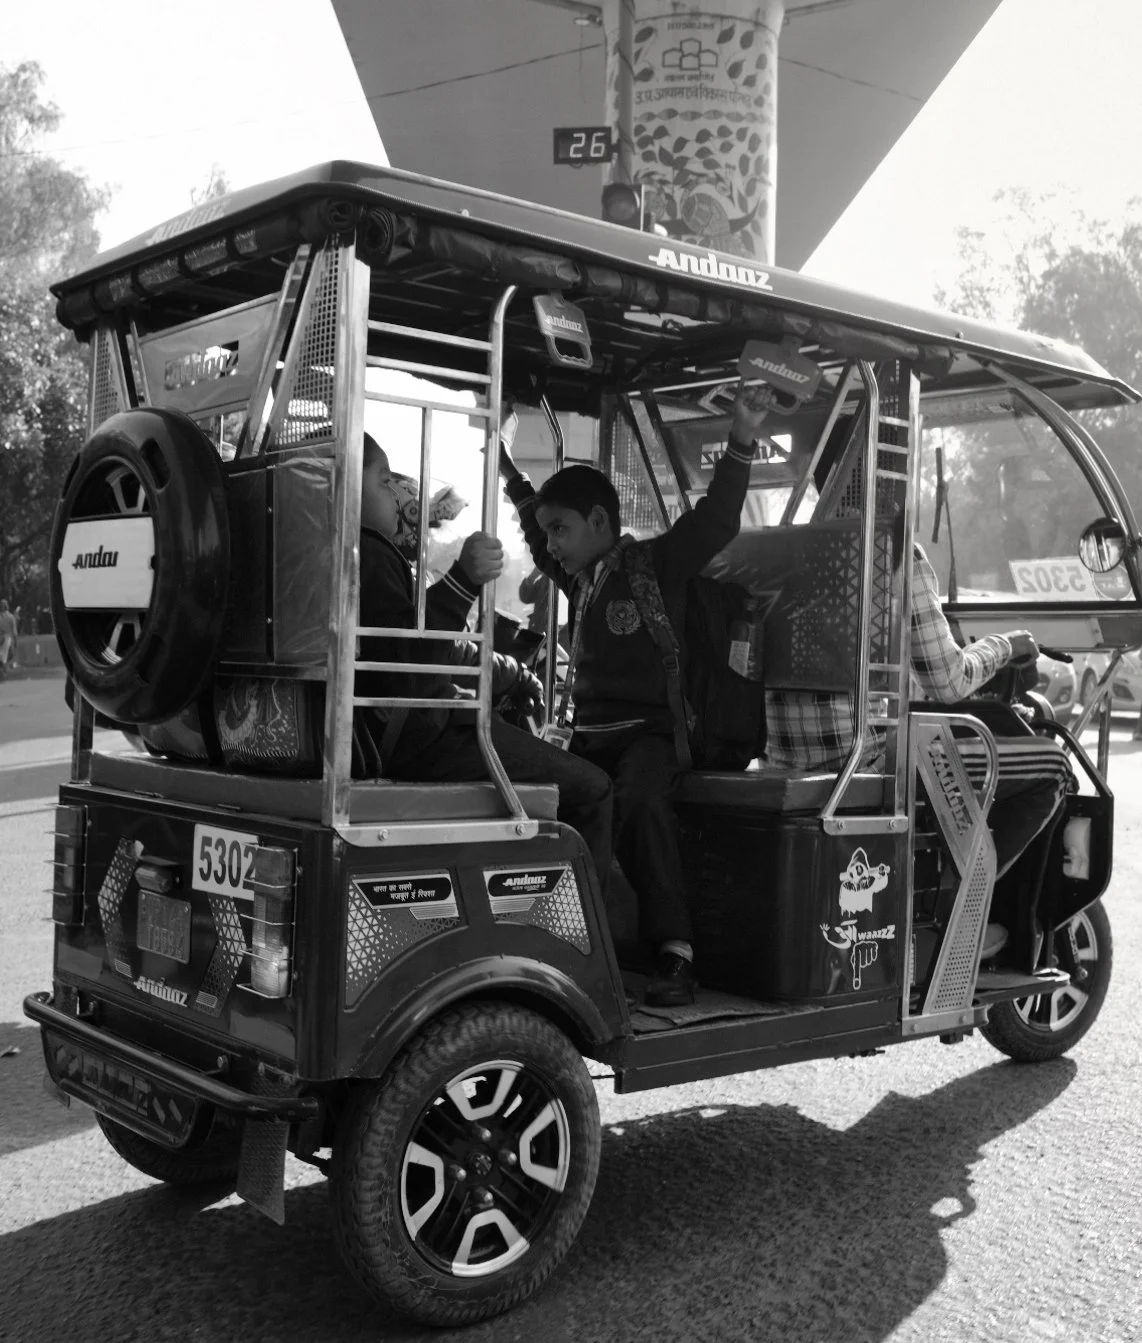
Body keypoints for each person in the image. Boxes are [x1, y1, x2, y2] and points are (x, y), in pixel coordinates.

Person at [498, 382, 776, 1006]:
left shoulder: (657, 564)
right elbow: (534, 528)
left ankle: (677, 951)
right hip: (591, 738)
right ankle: (570, 938)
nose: (552, 545)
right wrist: (508, 471)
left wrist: (741, 438)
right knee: (544, 794)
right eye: (549, 534)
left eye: (562, 530)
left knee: (640, 801)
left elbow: (716, 520)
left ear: (599, 523)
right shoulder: (579, 579)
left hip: (654, 737)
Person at [767, 544, 1072, 961]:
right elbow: (948, 681)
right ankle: (957, 915)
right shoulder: (893, 551)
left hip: (789, 764)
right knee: (1053, 766)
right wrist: (1006, 646)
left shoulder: (799, 548)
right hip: (867, 767)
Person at [354, 434, 614, 891]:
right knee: (593, 790)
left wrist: (513, 674)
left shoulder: (329, 551)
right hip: (418, 735)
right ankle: (584, 923)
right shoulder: (367, 554)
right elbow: (409, 664)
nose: (395, 494)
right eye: (382, 480)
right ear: (342, 487)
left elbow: (445, 650)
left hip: (397, 729)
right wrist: (462, 582)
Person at [0, 600, 17, 677]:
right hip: (5, 638)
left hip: (6, 638)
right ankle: (4, 671)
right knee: (5, 656)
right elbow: (14, 631)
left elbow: (14, 631)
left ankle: (4, 671)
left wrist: (15, 640)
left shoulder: (10, 617)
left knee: (4, 655)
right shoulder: (10, 617)